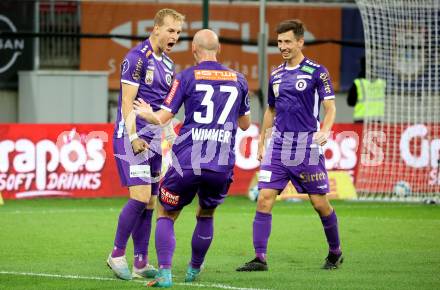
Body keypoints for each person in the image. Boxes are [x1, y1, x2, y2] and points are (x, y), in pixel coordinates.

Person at [133, 29, 251, 287]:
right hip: (220, 160)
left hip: (187, 159)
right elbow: (245, 124)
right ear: (218, 49)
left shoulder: (186, 77)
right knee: (206, 213)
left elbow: (162, 119)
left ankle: (164, 274)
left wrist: (144, 112)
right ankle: (193, 270)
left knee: (166, 212)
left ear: (195, 50)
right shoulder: (239, 79)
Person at [236, 19, 343, 272]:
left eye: (287, 41)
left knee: (319, 203)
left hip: (306, 145)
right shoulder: (276, 74)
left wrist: (325, 129)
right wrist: (262, 141)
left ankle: (335, 251)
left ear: (300, 42)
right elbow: (270, 110)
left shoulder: (318, 72)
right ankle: (260, 258)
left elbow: (330, 107)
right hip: (279, 145)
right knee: (264, 198)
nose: (282, 46)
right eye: (280, 42)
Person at [108, 8, 184, 280]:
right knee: (139, 197)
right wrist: (132, 137)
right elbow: (127, 102)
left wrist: (172, 139)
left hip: (152, 141)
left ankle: (141, 262)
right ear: (156, 29)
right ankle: (116, 254)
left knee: (151, 201)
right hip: (132, 138)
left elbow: (163, 110)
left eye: (178, 32)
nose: (174, 36)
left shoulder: (168, 64)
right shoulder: (137, 58)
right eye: (170, 30)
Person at [347, 56, 385, 122]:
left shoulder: (358, 83)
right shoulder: (381, 83)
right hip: (377, 120)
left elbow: (350, 102)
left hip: (361, 119)